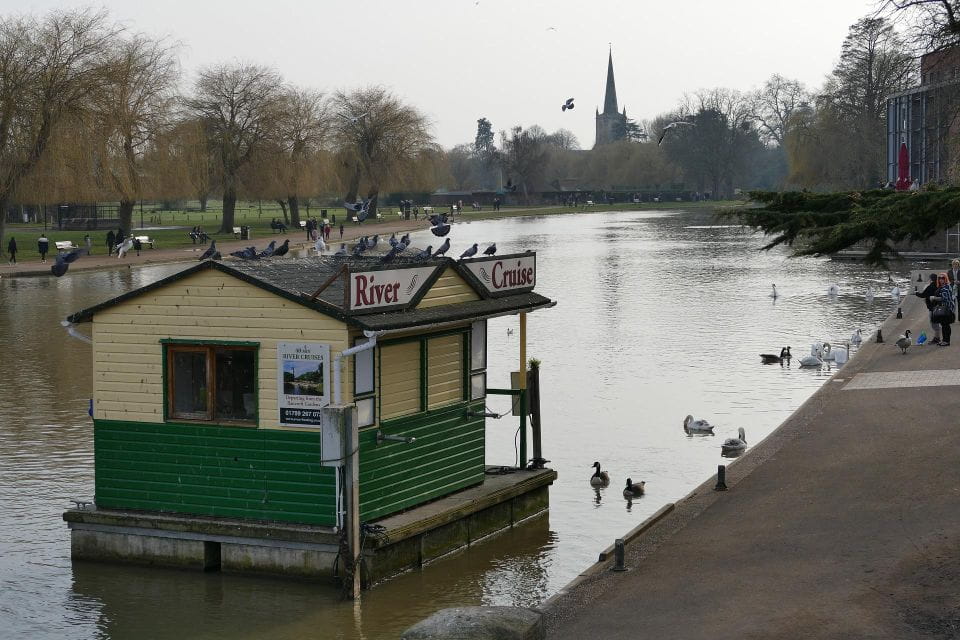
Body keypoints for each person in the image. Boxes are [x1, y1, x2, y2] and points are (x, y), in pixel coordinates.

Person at [930, 272, 956, 346]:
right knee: (944, 324)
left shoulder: (946, 287)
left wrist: (934, 298)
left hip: (947, 309)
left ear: (946, 279)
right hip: (944, 309)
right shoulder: (942, 286)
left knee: (945, 325)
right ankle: (944, 340)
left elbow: (945, 298)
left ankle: (946, 341)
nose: (941, 280)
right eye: (939, 278)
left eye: (943, 278)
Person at [916, 272, 943, 345]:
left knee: (934, 323)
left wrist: (916, 293)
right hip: (938, 306)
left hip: (933, 307)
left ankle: (937, 338)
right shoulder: (938, 285)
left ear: (931, 279)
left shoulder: (931, 286)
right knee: (936, 322)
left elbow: (922, 295)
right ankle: (937, 337)